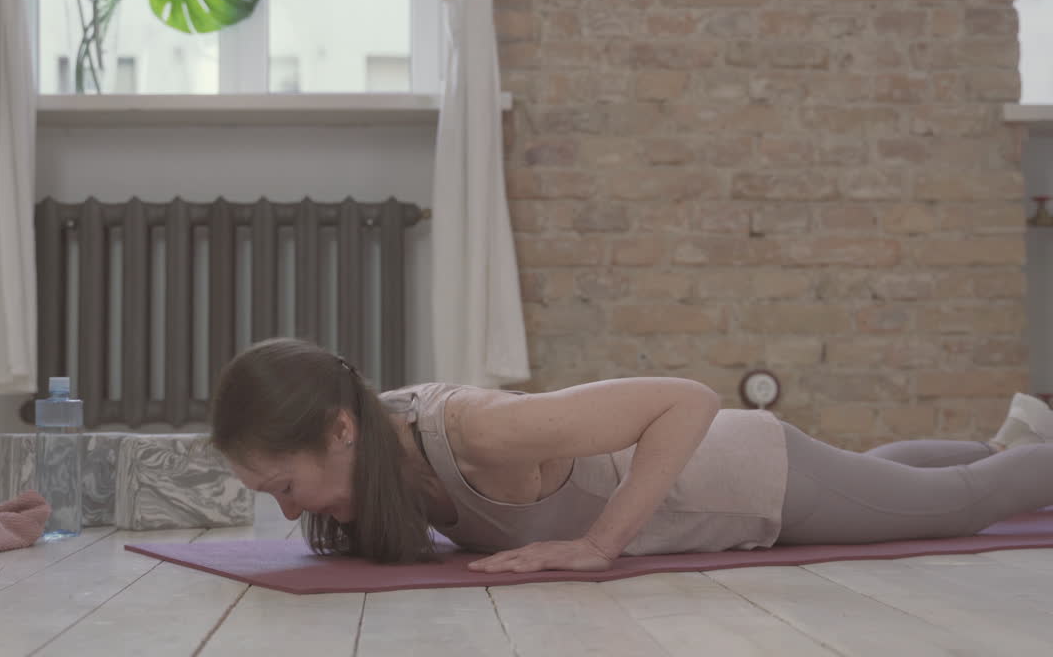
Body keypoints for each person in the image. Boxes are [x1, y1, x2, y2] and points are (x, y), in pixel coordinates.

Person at [210, 338, 1053, 573]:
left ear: (339, 430)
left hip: (753, 481)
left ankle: (1025, 456)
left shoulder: (478, 432)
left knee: (963, 504)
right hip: (747, 471)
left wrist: (596, 545)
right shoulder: (381, 436)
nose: (287, 510)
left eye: (284, 485)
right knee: (885, 475)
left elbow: (685, 399)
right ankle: (1009, 443)